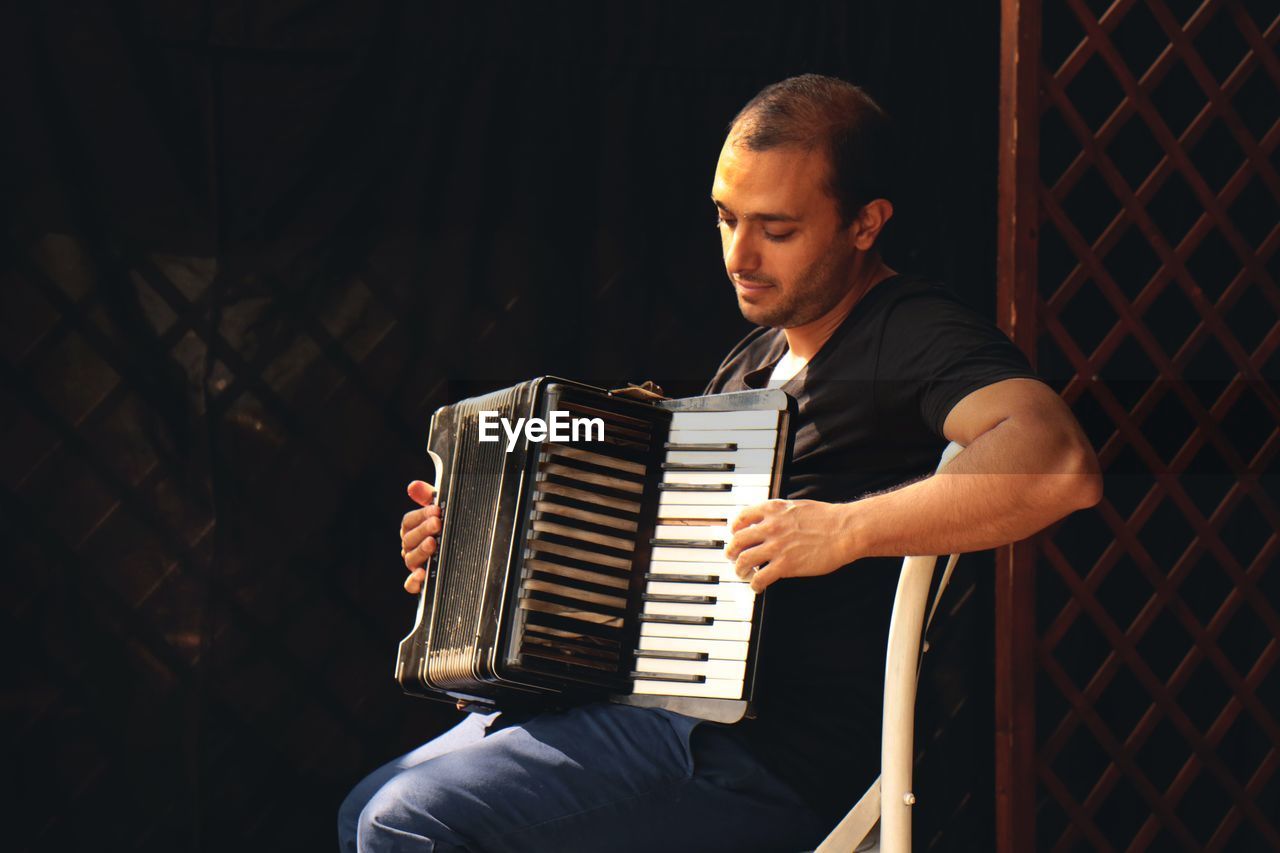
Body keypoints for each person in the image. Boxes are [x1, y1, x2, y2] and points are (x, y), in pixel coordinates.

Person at [339, 74, 1102, 852]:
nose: (740, 255)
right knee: (370, 806)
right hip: (661, 716)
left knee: (407, 821)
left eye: (777, 228)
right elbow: (664, 581)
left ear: (866, 224)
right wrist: (471, 551)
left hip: (769, 760)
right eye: (726, 218)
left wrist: (846, 529)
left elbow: (1056, 459)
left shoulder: (911, 335)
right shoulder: (752, 362)